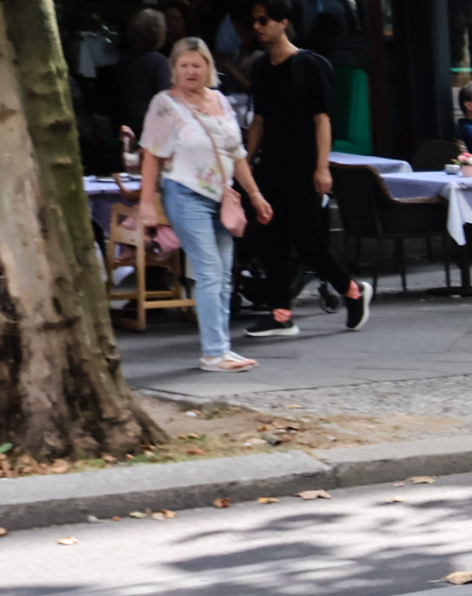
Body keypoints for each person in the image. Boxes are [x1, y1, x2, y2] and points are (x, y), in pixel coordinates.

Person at [137, 35, 271, 372]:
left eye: (197, 64)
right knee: (209, 271)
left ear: (208, 67)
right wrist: (147, 202)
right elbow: (151, 154)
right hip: (184, 193)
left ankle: (222, 347)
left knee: (224, 275)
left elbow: (237, 154)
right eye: (183, 65)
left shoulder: (221, 102)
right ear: (174, 69)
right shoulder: (164, 104)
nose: (190, 71)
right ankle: (213, 351)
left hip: (222, 197)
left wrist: (255, 195)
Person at [239, 0, 366, 339]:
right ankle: (281, 315)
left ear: (284, 22)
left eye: (264, 19)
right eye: (254, 20)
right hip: (272, 167)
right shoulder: (262, 67)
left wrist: (322, 167)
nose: (258, 26)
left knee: (308, 241)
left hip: (304, 166)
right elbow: (259, 120)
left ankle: (352, 290)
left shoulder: (308, 65)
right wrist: (247, 162)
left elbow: (322, 118)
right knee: (272, 241)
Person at [116, 8, 172, 134]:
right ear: (158, 32)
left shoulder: (123, 58)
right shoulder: (159, 62)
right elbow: (168, 99)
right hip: (149, 126)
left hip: (124, 123)